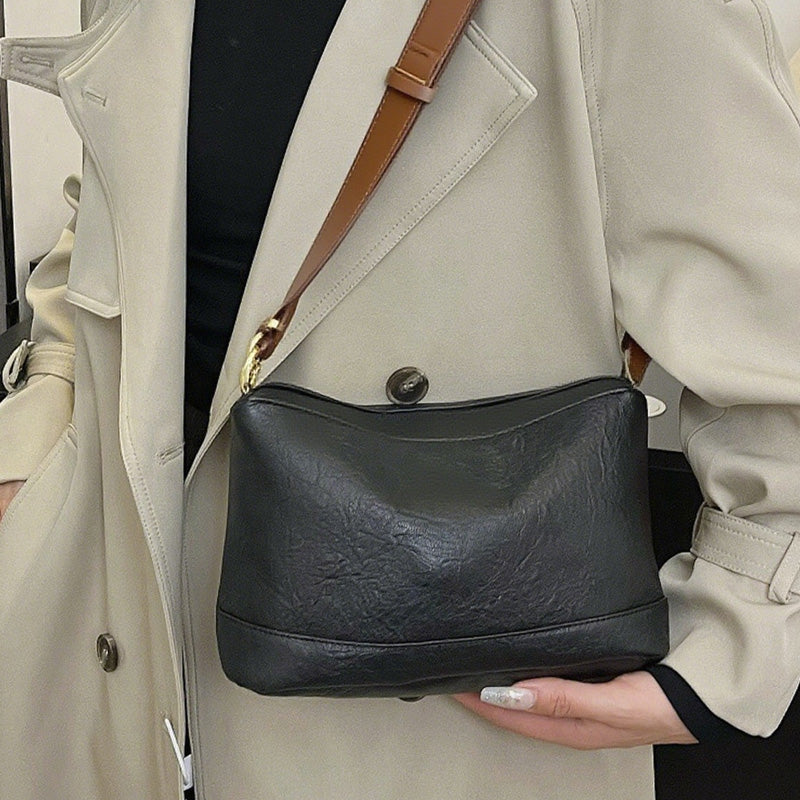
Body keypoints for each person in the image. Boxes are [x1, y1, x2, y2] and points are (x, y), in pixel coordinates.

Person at [0, 1, 799, 798]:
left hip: (432, 683)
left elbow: (772, 317)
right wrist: (40, 422)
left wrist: (738, 640)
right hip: (103, 621)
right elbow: (114, 196)